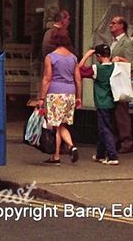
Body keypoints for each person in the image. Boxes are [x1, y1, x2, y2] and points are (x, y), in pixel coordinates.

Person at [38, 30, 80, 164]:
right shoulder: (73, 58)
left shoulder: (51, 57)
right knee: (62, 125)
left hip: (55, 93)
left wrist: (41, 98)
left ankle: (59, 154)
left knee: (55, 125)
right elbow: (78, 79)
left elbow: (47, 78)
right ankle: (67, 149)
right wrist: (79, 97)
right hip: (70, 93)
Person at [78, 44, 120, 165]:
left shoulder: (97, 68)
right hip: (112, 101)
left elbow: (79, 69)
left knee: (105, 129)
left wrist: (86, 55)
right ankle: (100, 154)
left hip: (101, 102)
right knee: (104, 127)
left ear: (98, 56)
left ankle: (112, 155)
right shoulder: (115, 67)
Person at [108, 16, 133, 152]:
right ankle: (115, 140)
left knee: (121, 113)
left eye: (113, 23)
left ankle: (126, 141)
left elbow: (132, 64)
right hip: (112, 80)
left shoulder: (127, 43)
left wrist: (119, 59)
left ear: (121, 26)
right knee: (113, 113)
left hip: (120, 82)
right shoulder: (113, 42)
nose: (110, 25)